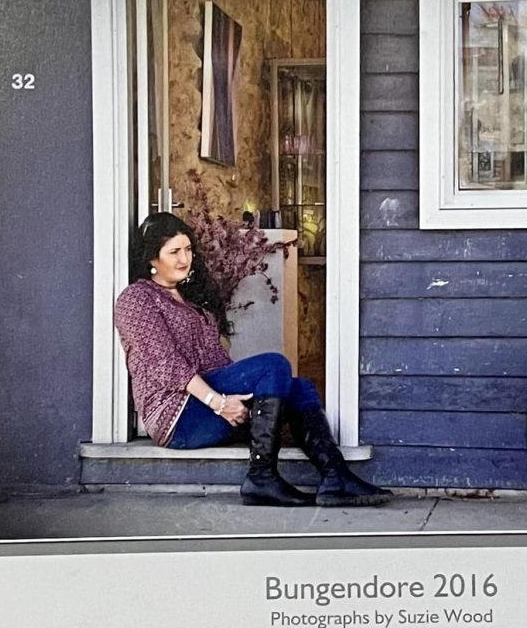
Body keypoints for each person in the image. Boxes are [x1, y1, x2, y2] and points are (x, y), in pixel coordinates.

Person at [114, 212, 392, 508]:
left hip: (207, 401)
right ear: (151, 259)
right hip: (176, 416)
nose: (185, 258)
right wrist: (220, 404)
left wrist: (243, 399)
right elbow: (167, 367)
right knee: (274, 365)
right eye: (174, 252)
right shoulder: (136, 300)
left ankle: (336, 476)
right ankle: (261, 476)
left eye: (188, 249)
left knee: (300, 388)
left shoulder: (192, 300)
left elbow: (216, 363)